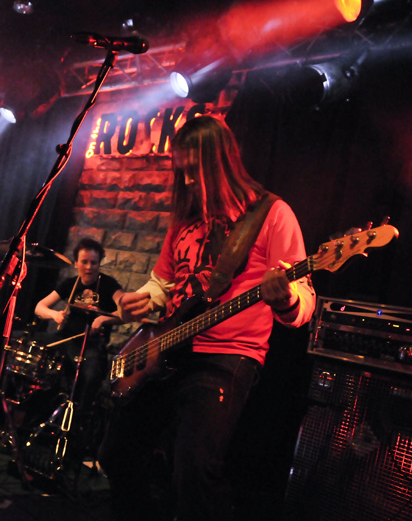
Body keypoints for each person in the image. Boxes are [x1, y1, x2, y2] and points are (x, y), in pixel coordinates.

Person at [97, 115, 316, 521]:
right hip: (167, 350)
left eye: (194, 170)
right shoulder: (185, 219)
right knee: (116, 455)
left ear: (220, 163)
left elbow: (304, 302)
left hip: (228, 355)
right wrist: (141, 300)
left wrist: (284, 296)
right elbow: (163, 283)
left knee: (195, 470)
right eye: (181, 171)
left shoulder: (270, 213)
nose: (188, 181)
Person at [34, 238, 123, 415]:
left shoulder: (108, 284)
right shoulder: (70, 284)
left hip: (92, 345)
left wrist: (102, 320)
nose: (89, 267)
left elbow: (125, 312)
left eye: (94, 262)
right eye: (84, 262)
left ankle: (77, 419)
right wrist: (54, 314)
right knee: (22, 341)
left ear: (99, 263)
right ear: (76, 263)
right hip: (64, 339)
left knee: (89, 377)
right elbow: (39, 307)